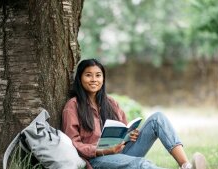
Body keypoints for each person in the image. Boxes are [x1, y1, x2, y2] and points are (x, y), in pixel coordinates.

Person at [62, 59, 206, 169]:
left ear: (103, 79)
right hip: (97, 160)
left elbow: (124, 128)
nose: (94, 79)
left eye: (98, 75)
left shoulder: (110, 102)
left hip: (121, 151)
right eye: (88, 75)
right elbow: (73, 144)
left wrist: (130, 134)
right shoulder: (73, 106)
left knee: (158, 118)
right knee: (141, 164)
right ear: (80, 79)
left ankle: (186, 166)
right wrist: (102, 150)